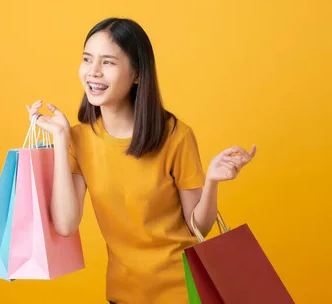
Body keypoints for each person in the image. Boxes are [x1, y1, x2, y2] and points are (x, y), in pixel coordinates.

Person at [25, 17, 257, 304]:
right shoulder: (78, 140)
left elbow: (199, 225)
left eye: (108, 62)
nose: (93, 72)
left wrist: (210, 181)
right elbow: (65, 224)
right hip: (123, 295)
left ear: (136, 73)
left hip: (182, 293)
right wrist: (60, 142)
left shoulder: (176, 136)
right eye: (87, 59)